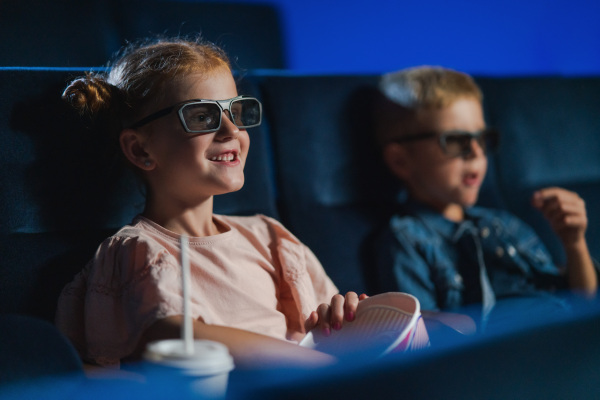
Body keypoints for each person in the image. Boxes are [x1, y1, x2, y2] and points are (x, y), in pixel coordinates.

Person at [55, 37, 366, 369]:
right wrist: (317, 362)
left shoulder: (270, 236)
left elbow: (328, 333)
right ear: (140, 150)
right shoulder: (138, 250)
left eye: (237, 110)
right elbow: (173, 335)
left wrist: (341, 323)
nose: (231, 130)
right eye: (202, 116)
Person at [370, 66, 598, 330]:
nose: (477, 152)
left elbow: (585, 305)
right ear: (401, 160)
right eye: (456, 140)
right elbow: (418, 339)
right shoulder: (407, 240)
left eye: (483, 138)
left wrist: (574, 243)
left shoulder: (504, 224)